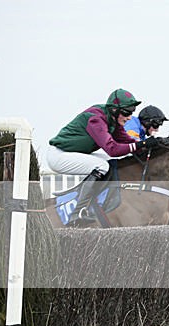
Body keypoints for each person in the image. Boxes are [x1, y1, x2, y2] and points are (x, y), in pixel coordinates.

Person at [47, 88, 144, 224]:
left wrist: (148, 145)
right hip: (59, 155)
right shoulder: (96, 119)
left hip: (75, 152)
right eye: (126, 113)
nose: (129, 117)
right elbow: (112, 149)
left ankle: (99, 201)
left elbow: (128, 142)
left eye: (131, 113)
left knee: (111, 162)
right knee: (102, 166)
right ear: (115, 110)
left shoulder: (113, 120)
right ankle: (77, 213)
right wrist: (138, 145)